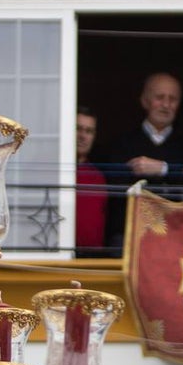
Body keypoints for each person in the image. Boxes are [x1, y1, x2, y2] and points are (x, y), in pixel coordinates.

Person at [103, 73, 183, 247]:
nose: (166, 105)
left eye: (173, 99)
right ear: (145, 101)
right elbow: (115, 188)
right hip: (131, 236)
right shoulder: (121, 144)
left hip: (177, 234)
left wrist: (162, 169)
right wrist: (176, 173)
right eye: (159, 97)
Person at [75, 106, 108, 257]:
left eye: (89, 131)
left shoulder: (98, 177)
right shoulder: (53, 172)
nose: (83, 136)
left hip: (90, 262)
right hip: (56, 259)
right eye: (78, 129)